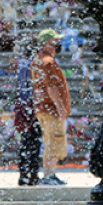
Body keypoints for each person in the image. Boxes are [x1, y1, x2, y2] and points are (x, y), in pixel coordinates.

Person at [32, 29, 71, 186]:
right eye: (55, 40)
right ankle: (49, 174)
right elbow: (52, 87)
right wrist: (60, 107)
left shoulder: (37, 59)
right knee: (55, 141)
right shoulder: (48, 61)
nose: (58, 44)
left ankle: (49, 173)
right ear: (48, 43)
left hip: (42, 107)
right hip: (50, 109)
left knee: (50, 140)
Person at [13, 48, 42, 186]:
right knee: (35, 143)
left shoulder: (22, 66)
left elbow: (21, 88)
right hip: (35, 106)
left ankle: (23, 174)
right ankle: (34, 174)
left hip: (23, 107)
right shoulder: (37, 66)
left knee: (24, 143)